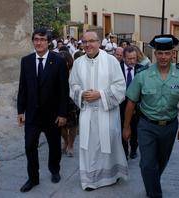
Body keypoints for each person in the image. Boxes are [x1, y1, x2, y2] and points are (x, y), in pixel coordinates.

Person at [123, 35, 179, 198]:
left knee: (161, 162)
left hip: (169, 127)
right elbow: (131, 102)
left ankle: (152, 185)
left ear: (173, 54)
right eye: (160, 53)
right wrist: (126, 127)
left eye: (167, 53)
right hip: (147, 126)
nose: (163, 57)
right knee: (147, 164)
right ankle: (155, 193)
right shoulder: (143, 75)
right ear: (155, 54)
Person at [69, 31, 128, 190]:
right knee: (88, 147)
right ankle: (90, 181)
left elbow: (120, 87)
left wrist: (100, 94)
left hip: (106, 113)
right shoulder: (78, 63)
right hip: (87, 112)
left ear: (99, 42)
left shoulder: (111, 61)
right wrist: (81, 94)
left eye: (92, 41)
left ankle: (111, 176)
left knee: (108, 144)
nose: (88, 45)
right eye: (84, 42)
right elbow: (72, 85)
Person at [17, 28, 69, 192]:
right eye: (36, 39)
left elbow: (63, 90)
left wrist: (62, 113)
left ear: (48, 42)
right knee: (29, 147)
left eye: (42, 39)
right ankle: (33, 178)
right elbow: (22, 87)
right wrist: (20, 111)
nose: (38, 42)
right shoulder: (26, 61)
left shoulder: (58, 61)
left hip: (53, 116)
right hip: (32, 115)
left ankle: (55, 170)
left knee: (54, 146)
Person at [119, 46, 142, 160]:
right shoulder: (117, 69)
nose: (132, 61)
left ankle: (133, 148)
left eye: (134, 58)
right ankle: (124, 151)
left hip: (137, 107)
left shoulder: (141, 69)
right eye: (129, 59)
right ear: (124, 58)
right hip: (121, 106)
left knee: (135, 129)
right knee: (123, 128)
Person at [58, 51, 78, 157]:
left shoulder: (74, 71)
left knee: (73, 125)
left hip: (72, 101)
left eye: (65, 61)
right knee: (61, 125)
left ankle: (71, 145)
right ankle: (65, 141)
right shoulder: (55, 70)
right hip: (58, 101)